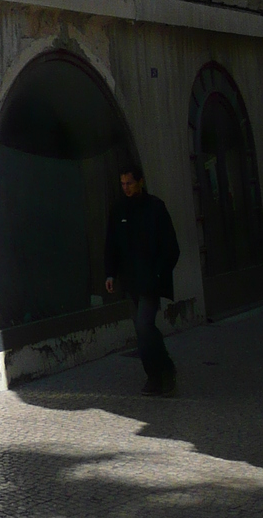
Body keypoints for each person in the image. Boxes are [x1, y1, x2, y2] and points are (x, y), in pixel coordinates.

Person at [105, 162, 181, 395]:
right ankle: (157, 374)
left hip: (150, 280)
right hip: (131, 281)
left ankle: (163, 371)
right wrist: (110, 273)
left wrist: (158, 273)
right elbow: (112, 244)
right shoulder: (119, 210)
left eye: (129, 183)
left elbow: (171, 247)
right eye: (122, 184)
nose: (126, 188)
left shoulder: (155, 208)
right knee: (142, 329)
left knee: (144, 324)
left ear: (140, 182)